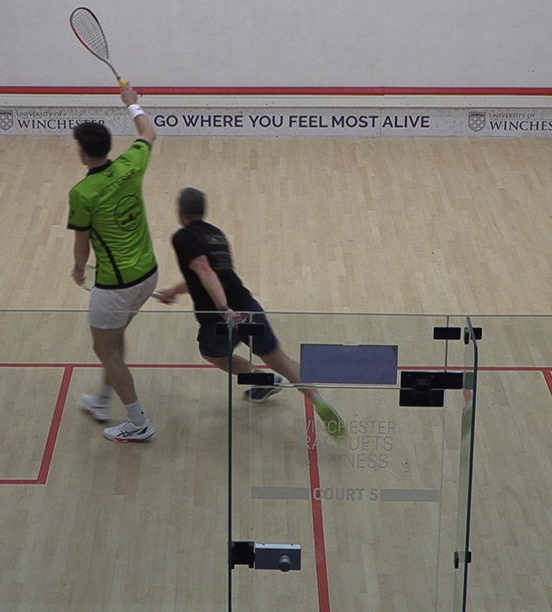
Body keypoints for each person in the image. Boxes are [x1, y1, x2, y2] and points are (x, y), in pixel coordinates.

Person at [155, 188, 345, 438]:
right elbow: (211, 276)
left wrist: (224, 310)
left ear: (180, 212)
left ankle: (264, 381)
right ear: (203, 211)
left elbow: (205, 271)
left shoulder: (182, 237)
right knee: (280, 359)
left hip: (220, 320)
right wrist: (173, 291)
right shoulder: (216, 235)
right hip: (249, 307)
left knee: (214, 355)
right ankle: (317, 399)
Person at [68, 83, 159, 443]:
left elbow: (82, 244)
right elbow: (148, 133)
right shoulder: (130, 163)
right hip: (148, 275)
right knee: (115, 339)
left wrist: (79, 270)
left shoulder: (82, 193)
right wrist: (132, 104)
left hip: (116, 286)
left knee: (105, 349)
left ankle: (137, 422)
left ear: (81, 152)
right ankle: (102, 401)